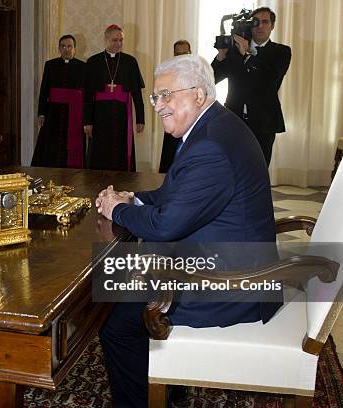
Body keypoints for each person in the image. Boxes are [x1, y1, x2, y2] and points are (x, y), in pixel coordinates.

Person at [95, 55, 280, 407]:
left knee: (114, 324)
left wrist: (116, 209)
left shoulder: (210, 144)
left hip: (231, 284)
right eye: (155, 98)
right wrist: (131, 198)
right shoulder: (212, 127)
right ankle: (170, 383)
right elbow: (172, 196)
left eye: (167, 95)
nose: (159, 105)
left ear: (198, 94)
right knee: (124, 281)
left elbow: (167, 225)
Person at [211, 6, 291, 166]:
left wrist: (247, 52)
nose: (260, 26)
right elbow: (212, 78)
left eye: (265, 22)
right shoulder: (234, 51)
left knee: (259, 169)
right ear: (250, 25)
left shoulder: (281, 51)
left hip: (264, 122)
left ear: (272, 26)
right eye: (256, 22)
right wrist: (221, 56)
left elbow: (271, 78)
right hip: (235, 119)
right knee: (232, 166)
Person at [84, 24, 145, 171]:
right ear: (106, 40)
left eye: (121, 40)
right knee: (99, 152)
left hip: (122, 115)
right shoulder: (93, 61)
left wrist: (140, 119)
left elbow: (136, 93)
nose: (118, 44)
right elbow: (87, 95)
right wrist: (87, 121)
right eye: (115, 40)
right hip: (100, 115)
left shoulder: (130, 62)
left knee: (122, 150)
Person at [31, 34, 86, 168]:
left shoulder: (83, 66)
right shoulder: (50, 65)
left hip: (74, 113)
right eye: (63, 46)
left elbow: (86, 94)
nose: (66, 49)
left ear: (74, 49)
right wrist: (41, 113)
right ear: (59, 48)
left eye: (69, 46)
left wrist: (86, 118)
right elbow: (44, 90)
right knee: (51, 143)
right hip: (53, 112)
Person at [159, 39, 191, 173]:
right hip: (173, 119)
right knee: (169, 158)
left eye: (185, 53)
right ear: (174, 54)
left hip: (190, 120)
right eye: (178, 54)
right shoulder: (166, 72)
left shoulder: (197, 73)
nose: (182, 57)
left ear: (190, 53)